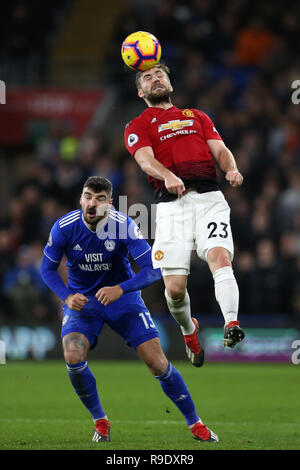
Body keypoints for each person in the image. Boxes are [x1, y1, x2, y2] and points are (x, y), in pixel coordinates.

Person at [40, 176, 219, 443]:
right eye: (88, 196)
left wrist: (121, 289)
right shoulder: (64, 227)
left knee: (158, 363)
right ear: (81, 199)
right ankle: (100, 421)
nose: (93, 203)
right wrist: (66, 297)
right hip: (84, 302)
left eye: (100, 199)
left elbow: (153, 269)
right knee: (73, 356)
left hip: (123, 300)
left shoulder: (123, 226)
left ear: (110, 204)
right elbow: (47, 269)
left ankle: (196, 424)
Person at [124, 63, 245, 367]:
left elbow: (220, 149)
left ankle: (231, 324)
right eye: (148, 78)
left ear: (170, 83)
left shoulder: (197, 116)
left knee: (220, 257)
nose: (155, 79)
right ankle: (189, 330)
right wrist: (167, 175)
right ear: (141, 92)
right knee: (175, 289)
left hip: (210, 198)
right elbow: (144, 160)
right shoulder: (138, 125)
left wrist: (230, 167)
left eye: (160, 75)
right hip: (171, 206)